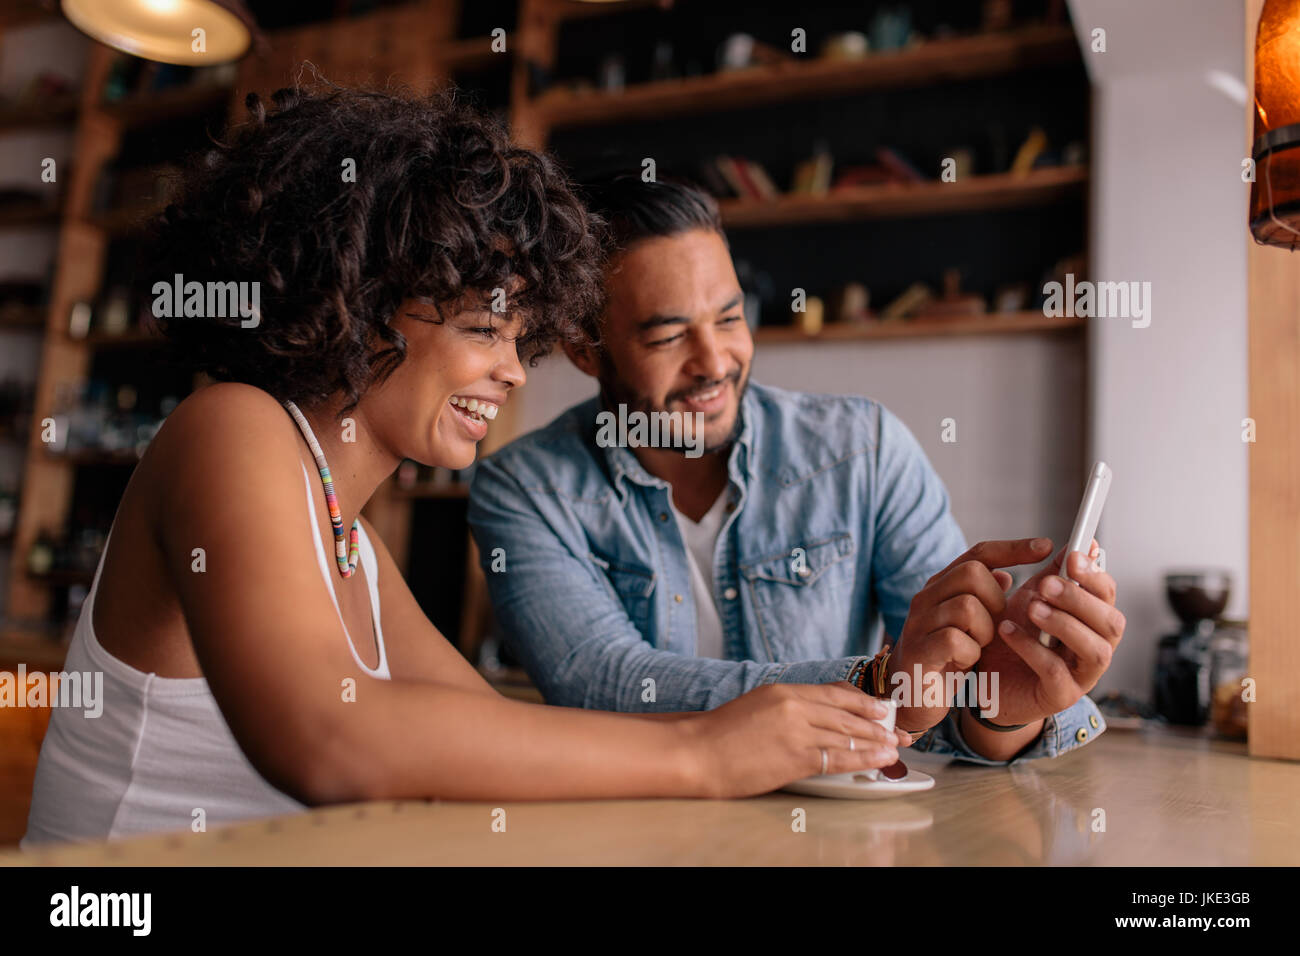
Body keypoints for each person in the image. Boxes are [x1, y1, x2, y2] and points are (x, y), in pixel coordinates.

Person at [22, 89, 907, 847]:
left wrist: (759, 740)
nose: (516, 370)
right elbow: (330, 737)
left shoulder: (352, 548)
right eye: (485, 330)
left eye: (521, 339)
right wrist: (708, 754)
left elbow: (494, 736)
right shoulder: (232, 430)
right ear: (358, 302)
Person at [467, 174, 1126, 765]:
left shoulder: (864, 450)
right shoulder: (525, 488)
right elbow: (600, 683)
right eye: (668, 337)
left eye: (730, 319)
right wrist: (876, 686)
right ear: (587, 350)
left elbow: (937, 695)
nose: (714, 362)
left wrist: (994, 706)